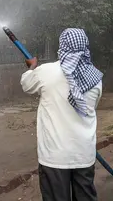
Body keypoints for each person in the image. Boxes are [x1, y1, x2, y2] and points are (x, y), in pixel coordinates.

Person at [21, 28, 103, 201]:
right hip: (84, 154)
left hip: (54, 157)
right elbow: (91, 109)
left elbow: (26, 85)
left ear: (62, 46)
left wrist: (31, 68)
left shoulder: (46, 72)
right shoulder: (95, 78)